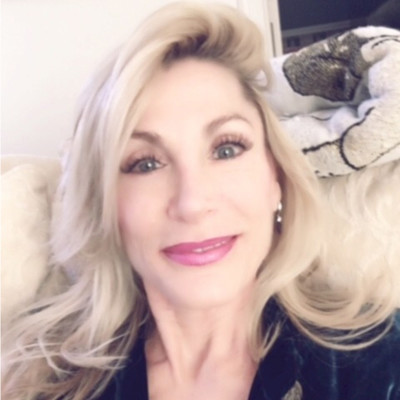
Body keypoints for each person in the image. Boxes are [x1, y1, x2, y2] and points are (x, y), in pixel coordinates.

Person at [2, 2, 399, 400]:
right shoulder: (41, 380)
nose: (191, 203)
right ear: (108, 207)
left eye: (227, 149)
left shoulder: (381, 361)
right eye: (145, 164)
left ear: (275, 178)